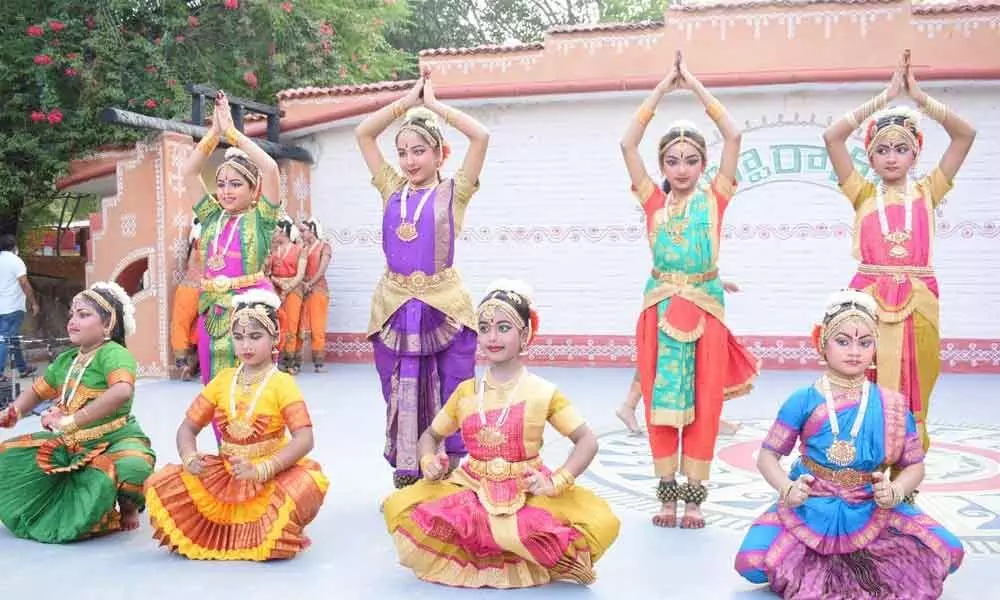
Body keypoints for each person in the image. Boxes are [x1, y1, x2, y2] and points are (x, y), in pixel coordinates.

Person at [383, 280, 620, 588]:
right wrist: (428, 461)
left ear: (524, 336)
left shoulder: (542, 392)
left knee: (598, 522)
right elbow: (429, 436)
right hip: (472, 485)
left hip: (527, 489)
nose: (492, 337)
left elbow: (587, 441)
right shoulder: (467, 393)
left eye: (504, 328)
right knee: (398, 506)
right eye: (484, 328)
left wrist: (555, 481)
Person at [734, 289, 964, 599]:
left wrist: (895, 491)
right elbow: (767, 456)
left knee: (949, 551)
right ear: (823, 345)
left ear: (874, 349)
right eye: (843, 341)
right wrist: (787, 489)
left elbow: (914, 466)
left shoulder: (892, 404)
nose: (854, 351)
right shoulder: (802, 400)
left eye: (864, 342)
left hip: (870, 503)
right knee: (752, 563)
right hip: (809, 502)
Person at [620, 52, 760, 529]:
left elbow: (735, 136)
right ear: (662, 165)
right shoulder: (652, 200)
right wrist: (661, 90)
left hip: (705, 308)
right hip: (659, 306)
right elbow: (627, 143)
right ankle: (665, 498)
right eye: (672, 160)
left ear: (703, 164)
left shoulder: (716, 197)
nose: (682, 168)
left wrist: (694, 86)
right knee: (662, 406)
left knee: (705, 402)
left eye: (691, 160)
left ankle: (695, 499)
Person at [822, 50, 976, 455]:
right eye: (882, 149)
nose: (891, 157)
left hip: (919, 301)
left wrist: (920, 99)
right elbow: (832, 137)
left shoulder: (929, 192)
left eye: (901, 148)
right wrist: (884, 97)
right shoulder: (863, 194)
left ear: (915, 154)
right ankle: (867, 466)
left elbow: (965, 136)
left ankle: (907, 472)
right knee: (866, 384)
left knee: (917, 383)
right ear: (870, 156)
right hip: (869, 304)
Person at [355, 69, 489, 489]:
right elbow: (363, 133)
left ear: (439, 154)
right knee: (400, 394)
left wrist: (433, 108)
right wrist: (405, 102)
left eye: (419, 151)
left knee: (453, 391)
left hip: (445, 305)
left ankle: (449, 479)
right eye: (403, 152)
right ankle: (409, 477)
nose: (410, 160)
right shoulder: (391, 188)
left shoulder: (456, 192)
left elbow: (481, 136)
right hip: (394, 307)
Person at [144, 289, 328, 561]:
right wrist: (190, 456)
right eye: (238, 337)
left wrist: (264, 469)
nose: (246, 346)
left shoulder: (282, 383)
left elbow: (304, 439)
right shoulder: (222, 380)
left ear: (275, 338)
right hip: (227, 472)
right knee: (159, 484)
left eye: (255, 337)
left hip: (271, 472)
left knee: (306, 484)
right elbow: (187, 429)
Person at [0, 281, 155, 541]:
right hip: (72, 443)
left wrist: (73, 420)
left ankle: (128, 507)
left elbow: (121, 392)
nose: (73, 320)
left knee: (134, 466)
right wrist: (14, 412)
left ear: (108, 325)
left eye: (84, 315)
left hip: (115, 440)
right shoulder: (67, 360)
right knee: (9, 459)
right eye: (73, 314)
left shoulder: (114, 354)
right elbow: (38, 391)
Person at [184, 91, 281, 387]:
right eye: (222, 184)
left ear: (254, 191)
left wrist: (234, 134)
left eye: (236, 184)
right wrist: (214, 133)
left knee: (249, 386)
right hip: (212, 311)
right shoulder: (213, 217)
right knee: (214, 389)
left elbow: (270, 168)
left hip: (249, 312)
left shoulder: (261, 219)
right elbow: (189, 171)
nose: (226, 191)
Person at [617, 279, 745, 436]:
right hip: (672, 295)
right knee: (661, 354)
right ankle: (629, 406)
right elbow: (680, 263)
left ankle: (709, 419)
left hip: (684, 294)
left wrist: (714, 282)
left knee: (690, 354)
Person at [266, 216, 307, 374]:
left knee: (291, 324)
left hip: (294, 289)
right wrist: (279, 283)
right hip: (275, 290)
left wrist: (287, 287)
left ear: (283, 231)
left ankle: (291, 361)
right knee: (277, 325)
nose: (274, 234)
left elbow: (300, 274)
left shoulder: (300, 250)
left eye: (276, 230)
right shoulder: (273, 250)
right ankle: (278, 359)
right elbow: (268, 272)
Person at [0, 233, 40, 381]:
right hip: (12, 307)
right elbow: (24, 283)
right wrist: (34, 303)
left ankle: (22, 368)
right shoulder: (16, 261)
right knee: (5, 339)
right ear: (14, 247)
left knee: (12, 338)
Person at [297, 217, 331, 373]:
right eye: (300, 231)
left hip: (317, 289)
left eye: (304, 230)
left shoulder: (324, 247)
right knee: (299, 326)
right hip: (301, 289)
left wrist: (309, 284)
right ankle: (295, 362)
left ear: (313, 230)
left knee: (317, 326)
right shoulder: (301, 247)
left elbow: (322, 269)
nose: (301, 234)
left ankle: (319, 363)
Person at [170, 216, 202, 381]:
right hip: (207, 290)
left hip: (190, 287)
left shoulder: (196, 242)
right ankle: (192, 364)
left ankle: (185, 363)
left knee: (183, 325)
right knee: (199, 326)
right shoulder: (207, 242)